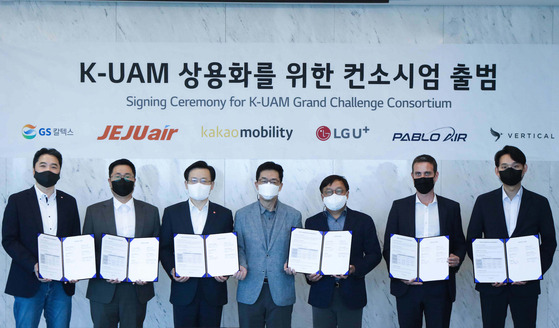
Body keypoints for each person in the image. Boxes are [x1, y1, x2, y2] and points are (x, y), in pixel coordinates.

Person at [466, 145, 556, 328]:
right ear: (497, 171)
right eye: (505, 166)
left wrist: (532, 273)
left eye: (515, 166)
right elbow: (472, 241)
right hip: (492, 285)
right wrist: (489, 273)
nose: (510, 171)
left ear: (525, 168)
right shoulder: (484, 202)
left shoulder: (540, 203)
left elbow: (549, 243)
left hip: (526, 286)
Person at [383, 154, 466, 328]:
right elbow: (389, 247)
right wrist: (400, 274)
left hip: (440, 287)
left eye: (427, 174)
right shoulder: (399, 207)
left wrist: (457, 257)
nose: (423, 178)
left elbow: (460, 242)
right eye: (418, 174)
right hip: (408, 286)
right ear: (412, 176)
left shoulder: (451, 207)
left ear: (436, 176)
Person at [2, 148, 81, 328]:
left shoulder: (69, 202)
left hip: (61, 285)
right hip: (28, 281)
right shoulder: (17, 200)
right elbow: (9, 239)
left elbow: (75, 240)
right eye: (43, 165)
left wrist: (75, 268)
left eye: (54, 167)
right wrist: (34, 265)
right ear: (34, 169)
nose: (48, 170)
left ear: (59, 171)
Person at [83, 158, 160, 328]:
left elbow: (156, 249)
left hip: (136, 290)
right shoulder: (93, 211)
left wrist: (146, 273)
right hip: (102, 288)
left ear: (134, 180)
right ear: (109, 181)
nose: (122, 180)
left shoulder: (151, 212)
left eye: (127, 176)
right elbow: (87, 250)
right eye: (117, 176)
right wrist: (104, 270)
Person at [160, 160, 234, 328]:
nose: (198, 185)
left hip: (213, 290)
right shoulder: (172, 212)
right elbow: (165, 248)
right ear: (186, 184)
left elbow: (230, 248)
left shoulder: (224, 214)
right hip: (184, 290)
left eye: (204, 180)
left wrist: (226, 272)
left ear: (212, 185)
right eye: (193, 180)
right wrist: (172, 269)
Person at [305, 175, 382, 328]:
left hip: (352, 292)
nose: (333, 195)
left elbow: (374, 254)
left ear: (347, 194)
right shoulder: (312, 222)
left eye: (339, 191)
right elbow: (308, 256)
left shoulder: (363, 221)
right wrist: (309, 275)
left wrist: (354, 268)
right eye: (328, 192)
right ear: (322, 196)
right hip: (321, 293)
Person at [233, 161, 302, 328]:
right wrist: (241, 264)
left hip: (281, 288)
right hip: (250, 288)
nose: (268, 185)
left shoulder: (293, 215)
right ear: (256, 184)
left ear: (281, 185)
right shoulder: (242, 215)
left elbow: (298, 248)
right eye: (264, 181)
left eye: (273, 181)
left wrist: (294, 262)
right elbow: (238, 246)